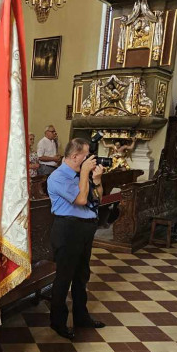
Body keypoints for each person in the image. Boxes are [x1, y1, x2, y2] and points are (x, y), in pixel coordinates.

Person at [46, 138, 106, 339]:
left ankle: (81, 317)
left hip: (85, 228)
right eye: (86, 155)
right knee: (64, 278)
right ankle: (58, 322)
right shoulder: (58, 177)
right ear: (74, 156)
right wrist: (86, 173)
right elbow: (81, 200)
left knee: (82, 276)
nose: (89, 159)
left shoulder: (82, 174)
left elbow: (97, 198)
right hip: (68, 229)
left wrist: (96, 181)